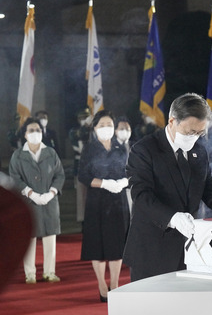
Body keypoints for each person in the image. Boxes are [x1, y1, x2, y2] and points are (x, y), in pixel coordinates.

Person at [124, 93, 212, 282]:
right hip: (152, 248)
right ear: (172, 121)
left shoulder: (198, 150)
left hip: (189, 249)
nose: (194, 138)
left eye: (199, 133)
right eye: (189, 132)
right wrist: (172, 217)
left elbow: (210, 189)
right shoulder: (144, 150)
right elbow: (141, 195)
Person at [78, 110, 129, 302]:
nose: (106, 128)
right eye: (102, 125)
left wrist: (124, 183)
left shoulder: (120, 148)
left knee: (116, 245)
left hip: (118, 201)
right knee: (97, 244)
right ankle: (101, 284)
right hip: (97, 200)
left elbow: (130, 170)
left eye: (109, 125)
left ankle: (115, 284)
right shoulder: (89, 149)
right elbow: (83, 175)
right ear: (95, 128)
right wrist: (104, 183)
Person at [9, 117, 65, 284]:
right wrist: (30, 193)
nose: (35, 133)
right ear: (25, 135)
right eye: (31, 130)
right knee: (29, 238)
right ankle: (30, 274)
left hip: (50, 200)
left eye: (38, 130)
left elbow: (60, 175)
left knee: (50, 238)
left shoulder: (51, 152)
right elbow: (15, 178)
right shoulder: (18, 156)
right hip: (28, 202)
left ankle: (49, 272)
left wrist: (52, 192)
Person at [69, 108, 92, 222]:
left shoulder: (93, 131)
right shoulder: (75, 131)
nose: (84, 120)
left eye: (86, 117)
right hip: (80, 165)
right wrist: (85, 127)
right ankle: (82, 219)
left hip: (93, 167)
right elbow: (78, 146)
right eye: (82, 118)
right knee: (81, 196)